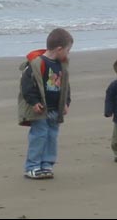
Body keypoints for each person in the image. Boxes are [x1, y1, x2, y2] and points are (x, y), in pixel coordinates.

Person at [19, 28, 73, 179]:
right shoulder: (37, 63)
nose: (68, 54)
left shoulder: (61, 65)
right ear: (59, 48)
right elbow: (26, 86)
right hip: (40, 110)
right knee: (39, 136)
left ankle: (46, 164)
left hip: (55, 109)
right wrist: (34, 102)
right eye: (68, 50)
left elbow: (65, 86)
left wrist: (66, 103)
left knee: (51, 136)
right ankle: (32, 166)